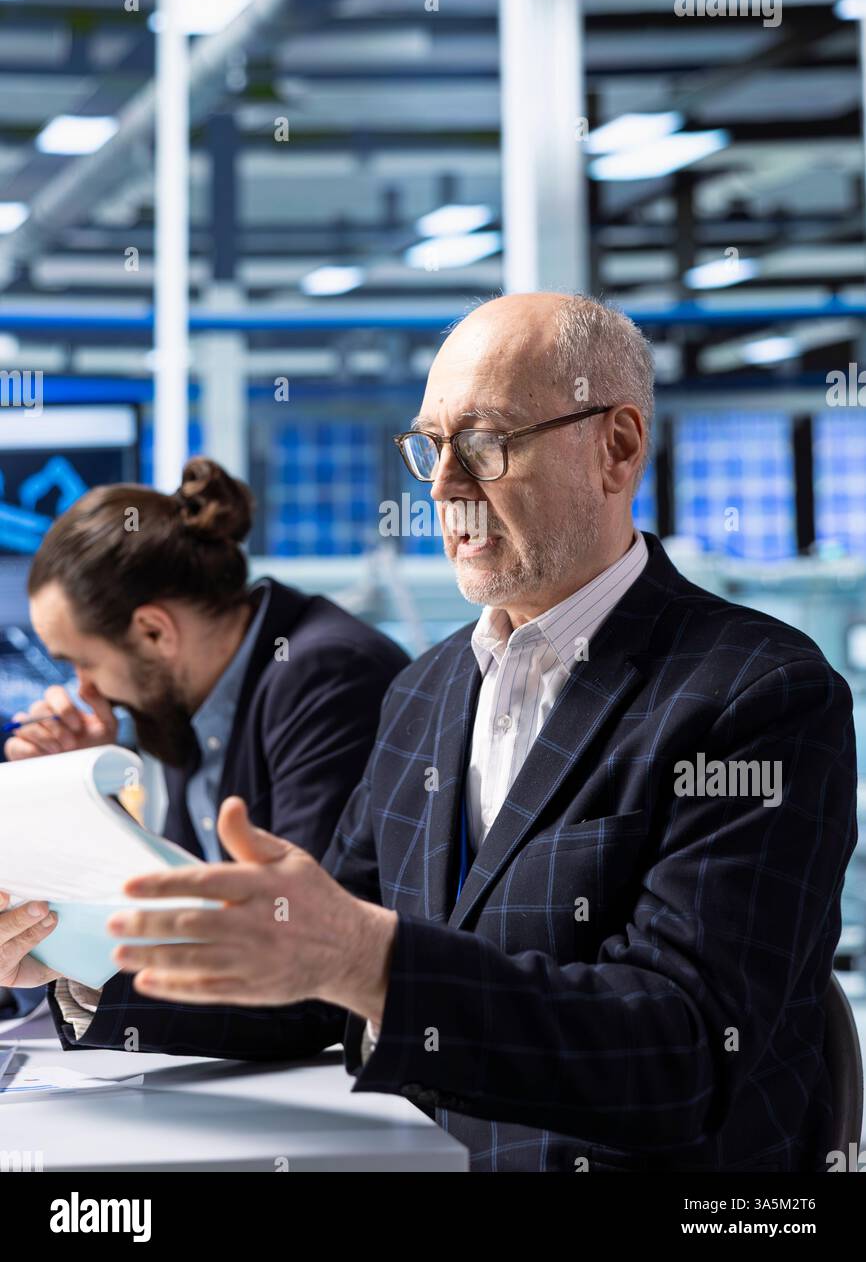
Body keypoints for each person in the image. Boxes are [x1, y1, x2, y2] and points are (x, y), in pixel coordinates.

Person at [2, 294, 857, 1173]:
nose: (445, 485)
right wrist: (81, 963)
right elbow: (319, 989)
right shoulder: (427, 691)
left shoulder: (757, 695)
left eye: (487, 442)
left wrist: (366, 957)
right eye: (430, 447)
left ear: (618, 447)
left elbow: (678, 1049)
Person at [0, 456, 407, 1026]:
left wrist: (102, 992)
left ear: (153, 632)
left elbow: (299, 957)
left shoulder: (325, 677)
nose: (83, 692)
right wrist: (82, 801)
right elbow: (182, 906)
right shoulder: (186, 698)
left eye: (84, 664)